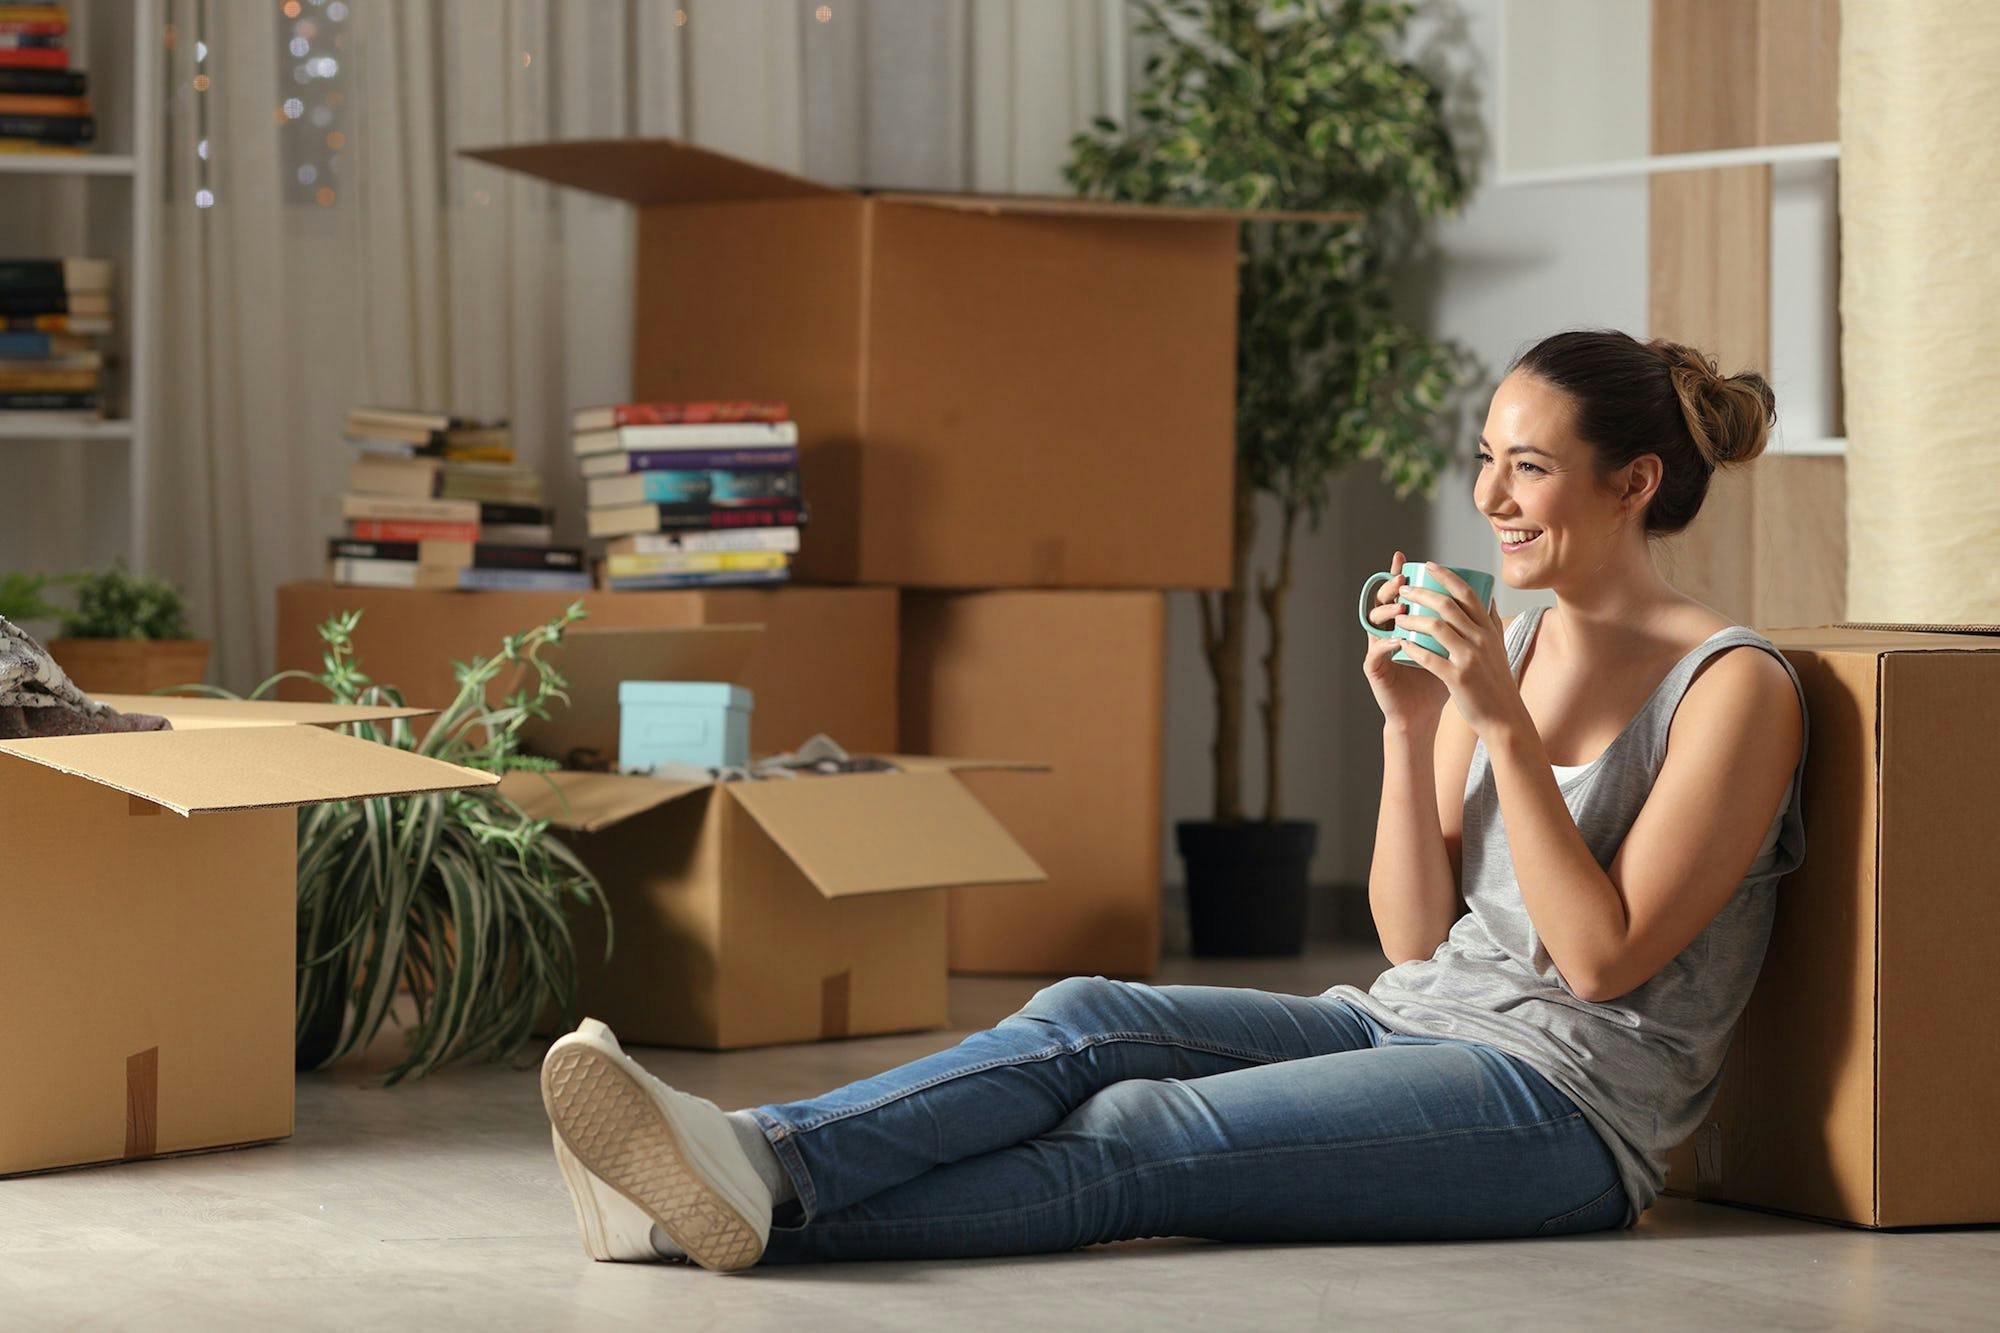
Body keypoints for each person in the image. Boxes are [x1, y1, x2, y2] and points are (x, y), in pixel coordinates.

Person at [537, 328, 1810, 1273]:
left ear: (1634, 483)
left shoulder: (1731, 688)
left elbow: (1594, 961)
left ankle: (693, 1207)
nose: (1486, 499)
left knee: (1140, 1133)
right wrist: (1406, 725)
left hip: (1566, 1112)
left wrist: (1493, 725)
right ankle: (747, 1160)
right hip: (1411, 1021)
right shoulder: (1519, 647)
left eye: (1526, 468)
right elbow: (1412, 941)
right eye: (1483, 459)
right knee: (1089, 1017)